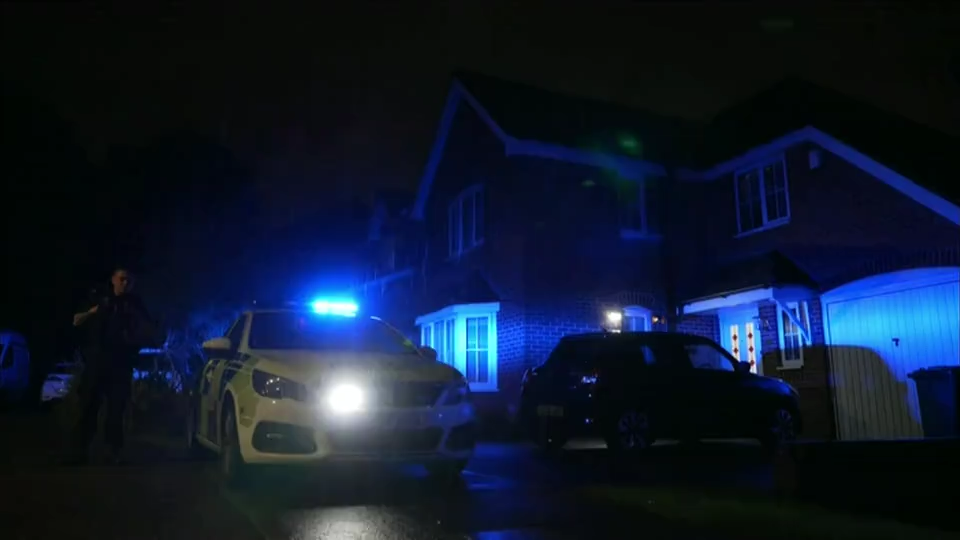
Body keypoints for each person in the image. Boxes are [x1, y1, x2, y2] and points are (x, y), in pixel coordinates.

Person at [66, 267, 156, 465]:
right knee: (88, 406)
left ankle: (112, 451)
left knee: (116, 409)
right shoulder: (99, 298)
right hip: (97, 361)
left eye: (129, 281)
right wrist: (93, 312)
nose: (125, 284)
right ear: (113, 280)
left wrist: (133, 340)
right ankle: (79, 451)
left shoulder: (134, 304)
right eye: (122, 279)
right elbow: (77, 321)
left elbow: (148, 329)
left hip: (120, 363)